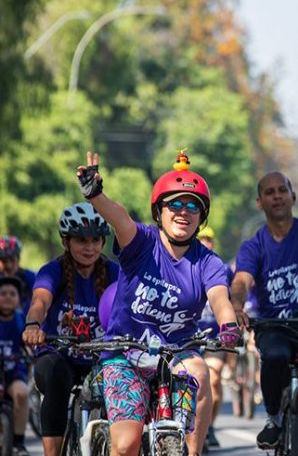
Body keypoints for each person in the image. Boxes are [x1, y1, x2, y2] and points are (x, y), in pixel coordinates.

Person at [73, 151, 241, 456]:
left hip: (176, 352)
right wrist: (96, 196)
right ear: (158, 211)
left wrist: (228, 325)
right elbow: (119, 217)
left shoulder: (208, 262)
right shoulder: (141, 242)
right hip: (125, 353)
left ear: (202, 217)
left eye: (193, 206)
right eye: (174, 204)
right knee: (125, 446)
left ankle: (192, 451)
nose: (183, 212)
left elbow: (219, 298)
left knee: (201, 372)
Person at [229, 171, 298, 454]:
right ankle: (274, 418)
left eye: (282, 190)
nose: (277, 196)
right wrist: (237, 307)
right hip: (275, 326)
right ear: (259, 202)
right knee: (275, 356)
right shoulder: (253, 246)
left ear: (293, 196)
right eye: (269, 192)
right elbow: (241, 280)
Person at [21, 202, 118, 456]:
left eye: (96, 240)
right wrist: (33, 324)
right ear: (66, 241)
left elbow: (131, 305)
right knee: (55, 375)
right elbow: (40, 301)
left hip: (100, 360)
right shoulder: (52, 271)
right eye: (81, 240)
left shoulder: (114, 273)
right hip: (59, 357)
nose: (90, 247)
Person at [194, 226, 234, 449]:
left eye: (208, 239)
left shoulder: (221, 268)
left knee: (214, 378)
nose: (205, 242)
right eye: (201, 238)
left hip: (214, 336)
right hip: (190, 335)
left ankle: (209, 426)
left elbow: (230, 298)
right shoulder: (185, 264)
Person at [0, 276, 30, 456]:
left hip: (13, 372)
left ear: (19, 298)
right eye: (3, 294)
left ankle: (19, 443)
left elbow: (28, 343)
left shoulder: (21, 320)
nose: (8, 297)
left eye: (12, 293)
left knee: (22, 393)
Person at [0, 235, 37, 313]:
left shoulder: (28, 276)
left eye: (12, 260)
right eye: (4, 261)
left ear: (18, 259)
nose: (8, 265)